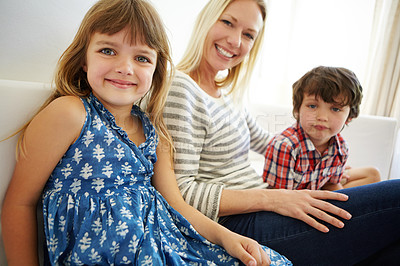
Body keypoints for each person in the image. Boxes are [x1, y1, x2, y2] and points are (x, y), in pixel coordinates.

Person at [0, 0, 292, 265]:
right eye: (108, 50)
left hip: (166, 248)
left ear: (156, 69)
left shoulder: (155, 131)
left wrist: (226, 238)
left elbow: (176, 204)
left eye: (141, 58)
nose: (125, 67)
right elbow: (19, 203)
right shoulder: (70, 113)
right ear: (84, 59)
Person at [162, 0, 400, 264]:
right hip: (239, 224)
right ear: (206, 20)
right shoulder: (181, 89)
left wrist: (323, 163)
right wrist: (274, 198)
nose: (235, 40)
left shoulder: (225, 94)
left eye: (248, 34)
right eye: (227, 22)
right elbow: (180, 193)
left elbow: (270, 142)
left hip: (265, 209)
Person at [263, 66, 381, 191]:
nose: (322, 117)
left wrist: (339, 194)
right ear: (298, 109)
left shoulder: (340, 147)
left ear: (349, 116)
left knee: (373, 174)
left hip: (318, 189)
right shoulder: (284, 146)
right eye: (312, 106)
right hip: (290, 200)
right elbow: (280, 198)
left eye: (335, 109)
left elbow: (331, 185)